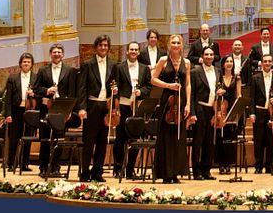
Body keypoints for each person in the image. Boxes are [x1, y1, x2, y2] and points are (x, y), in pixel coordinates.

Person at [77, 35, 118, 182]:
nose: (103, 48)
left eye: (106, 45)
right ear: (96, 47)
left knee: (102, 141)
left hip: (105, 107)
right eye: (101, 45)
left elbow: (114, 84)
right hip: (91, 105)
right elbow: (81, 89)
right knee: (89, 141)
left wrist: (115, 90)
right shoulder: (87, 64)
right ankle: (84, 172)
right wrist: (82, 108)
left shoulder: (114, 65)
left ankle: (97, 172)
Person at [151, 34, 191, 183]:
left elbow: (188, 84)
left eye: (178, 42)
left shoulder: (186, 63)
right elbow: (153, 79)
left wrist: (188, 104)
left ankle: (175, 172)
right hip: (167, 101)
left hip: (180, 101)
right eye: (173, 42)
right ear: (169, 45)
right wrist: (168, 85)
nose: (175, 45)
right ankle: (166, 173)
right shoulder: (163, 60)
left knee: (178, 138)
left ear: (181, 45)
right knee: (166, 138)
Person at [34, 43, 77, 177]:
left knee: (59, 139)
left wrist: (69, 110)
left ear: (63, 54)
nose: (57, 54)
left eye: (59, 52)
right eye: (54, 52)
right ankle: (43, 166)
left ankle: (56, 167)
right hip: (47, 107)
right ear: (50, 54)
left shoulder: (69, 70)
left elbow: (72, 91)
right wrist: (47, 90)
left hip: (62, 108)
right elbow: (35, 89)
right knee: (46, 139)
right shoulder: (42, 70)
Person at [111, 41, 152, 179]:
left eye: (136, 49)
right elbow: (114, 86)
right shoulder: (119, 67)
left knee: (136, 139)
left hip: (138, 107)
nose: (133, 52)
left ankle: (130, 169)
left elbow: (148, 87)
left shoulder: (145, 68)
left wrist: (141, 92)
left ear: (139, 52)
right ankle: (118, 168)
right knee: (120, 139)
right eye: (131, 49)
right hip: (123, 105)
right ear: (127, 52)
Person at [248, 54, 273, 173]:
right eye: (265, 61)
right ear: (262, 63)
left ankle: (269, 165)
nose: (268, 63)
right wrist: (252, 113)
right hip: (259, 112)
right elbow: (252, 98)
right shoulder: (255, 78)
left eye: (269, 61)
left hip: (272, 112)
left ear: (272, 63)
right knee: (258, 140)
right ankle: (258, 165)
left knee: (271, 140)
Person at [190, 47, 221, 180]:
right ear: (202, 56)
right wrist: (192, 113)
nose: (209, 56)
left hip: (211, 109)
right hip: (200, 109)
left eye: (211, 54)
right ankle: (196, 172)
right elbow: (191, 94)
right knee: (198, 141)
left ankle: (206, 170)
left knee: (209, 141)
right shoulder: (195, 71)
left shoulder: (217, 71)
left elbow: (217, 88)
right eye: (206, 54)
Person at [4, 52, 37, 172]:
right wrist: (8, 114)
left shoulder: (36, 77)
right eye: (24, 62)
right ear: (20, 64)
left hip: (30, 110)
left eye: (28, 62)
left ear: (32, 64)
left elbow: (39, 94)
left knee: (28, 137)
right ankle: (11, 163)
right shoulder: (12, 78)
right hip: (16, 110)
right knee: (14, 137)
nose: (26, 63)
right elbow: (8, 98)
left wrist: (33, 94)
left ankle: (24, 164)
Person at [214, 55, 242, 174]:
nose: (229, 63)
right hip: (220, 109)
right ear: (223, 64)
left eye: (231, 61)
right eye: (227, 61)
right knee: (220, 137)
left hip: (231, 109)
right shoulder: (218, 76)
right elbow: (214, 91)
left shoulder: (237, 78)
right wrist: (218, 92)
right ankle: (221, 163)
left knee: (230, 138)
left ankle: (229, 164)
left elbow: (239, 95)